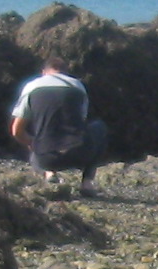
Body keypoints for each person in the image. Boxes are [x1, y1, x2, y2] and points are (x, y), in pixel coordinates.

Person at [11, 57, 102, 194]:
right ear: (66, 72)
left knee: (37, 134)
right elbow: (81, 122)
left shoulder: (32, 87)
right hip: (79, 154)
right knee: (99, 127)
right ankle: (87, 183)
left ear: (43, 72)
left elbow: (16, 131)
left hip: (46, 158)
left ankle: (48, 172)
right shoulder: (77, 86)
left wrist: (32, 144)